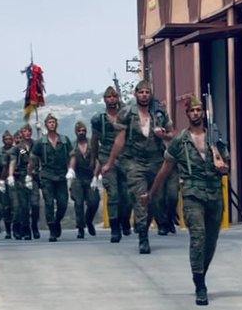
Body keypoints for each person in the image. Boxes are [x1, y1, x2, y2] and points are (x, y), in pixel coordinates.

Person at [150, 96, 229, 305]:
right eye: (192, 110)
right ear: (187, 114)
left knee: (211, 241)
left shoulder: (215, 136)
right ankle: (200, 284)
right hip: (192, 194)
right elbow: (165, 169)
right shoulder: (180, 140)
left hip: (214, 193)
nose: (196, 113)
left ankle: (201, 271)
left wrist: (223, 166)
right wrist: (151, 194)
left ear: (203, 113)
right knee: (198, 237)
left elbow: (226, 163)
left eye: (198, 110)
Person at [101, 80, 174, 254]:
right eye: (141, 92)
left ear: (151, 94)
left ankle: (144, 224)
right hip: (134, 161)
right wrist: (110, 163)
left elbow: (173, 134)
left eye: (147, 92)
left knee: (155, 200)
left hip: (156, 160)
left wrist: (163, 134)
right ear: (136, 94)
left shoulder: (160, 112)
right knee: (141, 197)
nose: (144, 95)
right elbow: (120, 139)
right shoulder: (126, 112)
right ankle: (143, 237)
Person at [90, 86, 131, 243]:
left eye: (114, 96)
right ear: (104, 99)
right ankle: (115, 228)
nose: (112, 99)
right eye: (109, 97)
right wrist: (94, 160)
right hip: (107, 158)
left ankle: (125, 220)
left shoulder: (126, 115)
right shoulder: (98, 119)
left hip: (125, 158)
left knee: (127, 195)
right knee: (113, 194)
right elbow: (94, 140)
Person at [29, 113, 75, 242]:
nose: (52, 124)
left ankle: (57, 221)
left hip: (61, 176)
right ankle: (52, 230)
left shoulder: (64, 140)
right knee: (49, 203)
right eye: (49, 122)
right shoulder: (40, 142)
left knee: (62, 203)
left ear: (57, 124)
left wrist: (71, 169)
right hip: (47, 176)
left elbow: (72, 155)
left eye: (53, 122)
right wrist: (29, 174)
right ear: (46, 125)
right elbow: (32, 158)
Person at [70, 121, 100, 239]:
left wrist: (96, 176)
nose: (81, 133)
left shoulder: (92, 144)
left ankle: (89, 220)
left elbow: (99, 159)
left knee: (94, 202)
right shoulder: (72, 145)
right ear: (76, 132)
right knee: (78, 203)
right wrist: (70, 172)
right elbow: (71, 159)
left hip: (90, 176)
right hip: (78, 176)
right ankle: (81, 228)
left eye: (83, 131)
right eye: (79, 131)